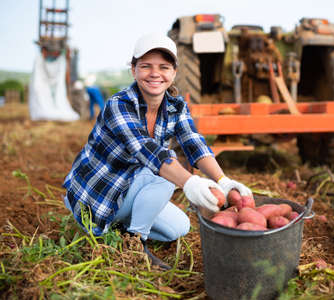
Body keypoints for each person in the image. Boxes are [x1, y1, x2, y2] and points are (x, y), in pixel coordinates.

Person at [62, 33, 252, 269]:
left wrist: (223, 180)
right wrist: (190, 182)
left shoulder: (176, 106)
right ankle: (135, 244)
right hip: (97, 195)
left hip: (130, 188)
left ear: (173, 73)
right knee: (164, 176)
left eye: (164, 67)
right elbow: (148, 150)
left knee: (178, 227)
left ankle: (122, 227)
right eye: (146, 66)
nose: (155, 73)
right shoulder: (119, 105)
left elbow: (194, 143)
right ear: (133, 70)